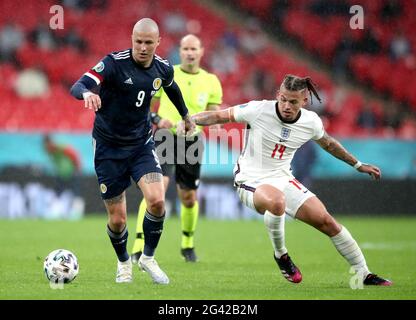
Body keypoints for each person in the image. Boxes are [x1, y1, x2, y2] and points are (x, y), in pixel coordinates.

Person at [187, 74, 392, 286]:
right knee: (276, 202)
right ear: (278, 95)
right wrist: (190, 120)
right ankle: (281, 255)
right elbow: (220, 116)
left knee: (327, 221)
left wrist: (358, 165)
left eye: (293, 101)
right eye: (283, 99)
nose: (286, 105)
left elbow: (329, 144)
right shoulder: (258, 110)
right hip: (250, 179)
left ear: (304, 101)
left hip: (283, 178)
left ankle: (364, 273)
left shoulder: (310, 122)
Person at [70, 18, 194, 284]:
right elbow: (78, 85)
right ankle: (124, 261)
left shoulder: (162, 68)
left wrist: (186, 115)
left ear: (158, 43)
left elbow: (172, 88)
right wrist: (86, 95)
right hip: (108, 148)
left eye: (148, 42)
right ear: (132, 39)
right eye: (138, 41)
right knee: (118, 219)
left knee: (158, 200)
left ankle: (148, 258)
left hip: (140, 146)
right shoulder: (114, 63)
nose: (142, 47)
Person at [131, 34, 223, 263]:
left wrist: (204, 121)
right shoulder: (164, 72)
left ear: (201, 51)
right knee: (156, 191)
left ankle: (187, 244)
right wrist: (157, 119)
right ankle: (138, 245)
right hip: (165, 137)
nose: (190, 52)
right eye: (185, 48)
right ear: (180, 51)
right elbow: (143, 106)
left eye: (194, 48)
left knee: (189, 197)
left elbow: (215, 113)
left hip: (192, 141)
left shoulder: (211, 80)